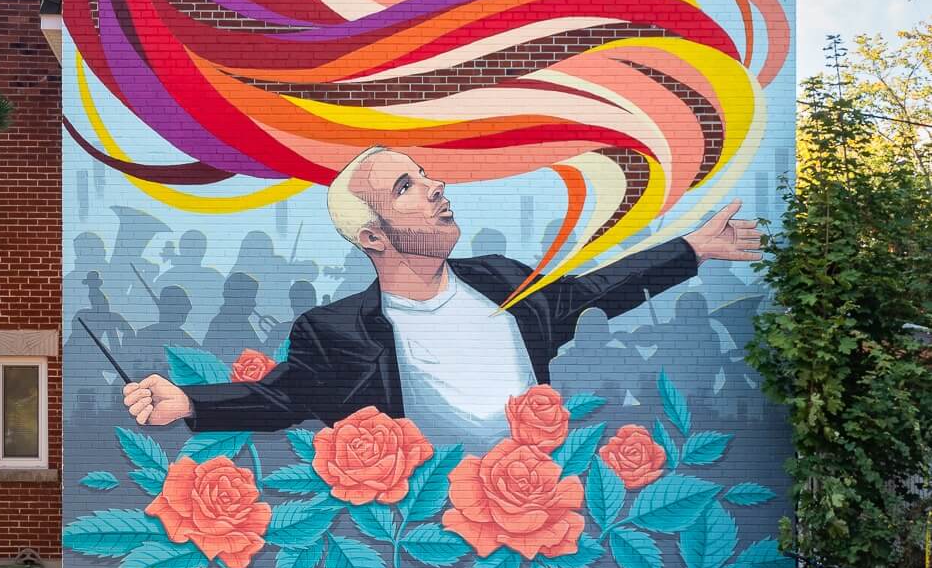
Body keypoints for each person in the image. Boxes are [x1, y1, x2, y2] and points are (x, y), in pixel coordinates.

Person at [123, 146, 762, 435]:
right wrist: (188, 402)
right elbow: (280, 397)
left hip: (541, 496)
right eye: (407, 186)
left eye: (427, 176)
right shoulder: (336, 333)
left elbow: (595, 290)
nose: (435, 187)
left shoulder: (502, 282)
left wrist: (694, 249)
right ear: (373, 238)